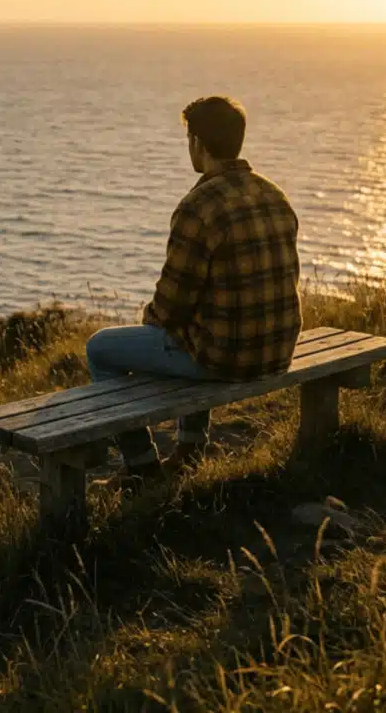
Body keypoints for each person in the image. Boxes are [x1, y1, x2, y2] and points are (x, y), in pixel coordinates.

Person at [86, 95, 302, 482]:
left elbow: (171, 306)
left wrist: (151, 322)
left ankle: (141, 467)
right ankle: (189, 450)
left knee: (100, 349)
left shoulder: (198, 206)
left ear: (198, 143)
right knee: (198, 330)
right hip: (277, 350)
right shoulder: (275, 195)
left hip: (228, 359)